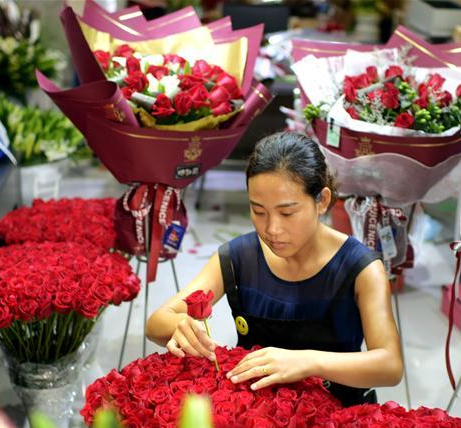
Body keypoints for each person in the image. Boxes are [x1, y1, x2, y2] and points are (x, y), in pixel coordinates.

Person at [146, 132, 403, 406]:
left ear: (322, 201)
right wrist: (180, 325)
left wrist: (308, 361)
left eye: (287, 213)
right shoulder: (239, 257)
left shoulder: (360, 268)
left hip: (336, 416)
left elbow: (390, 365)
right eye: (258, 211)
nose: (272, 229)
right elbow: (155, 323)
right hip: (256, 412)